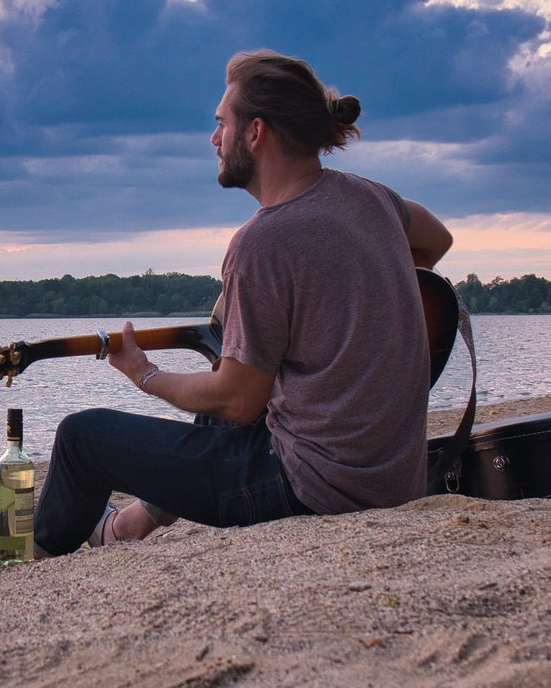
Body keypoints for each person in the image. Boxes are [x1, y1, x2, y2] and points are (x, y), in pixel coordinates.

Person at [32, 49, 453, 555]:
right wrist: (357, 283)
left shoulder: (262, 241)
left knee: (81, 438)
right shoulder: (373, 199)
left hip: (308, 489)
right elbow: (438, 240)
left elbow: (238, 401)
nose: (214, 139)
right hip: (393, 483)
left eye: (221, 125)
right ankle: (126, 525)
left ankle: (33, 558)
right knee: (235, 367)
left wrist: (144, 374)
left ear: (255, 133)